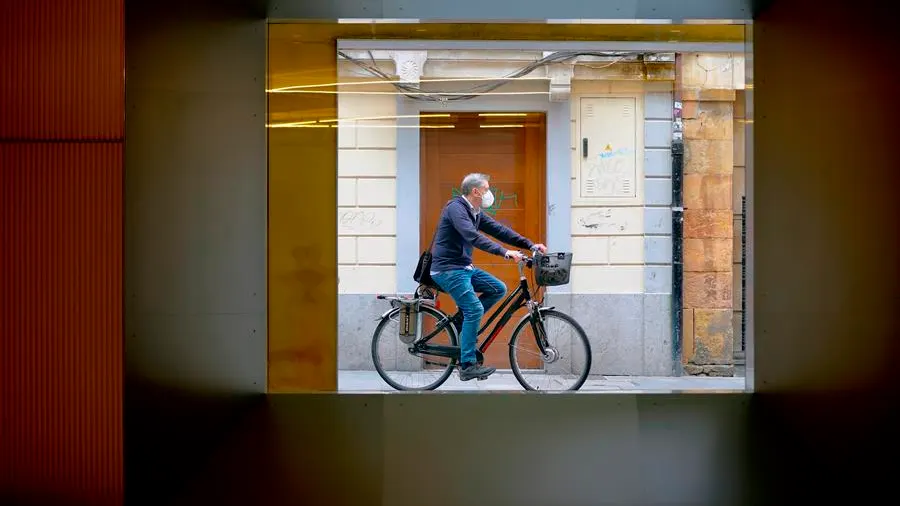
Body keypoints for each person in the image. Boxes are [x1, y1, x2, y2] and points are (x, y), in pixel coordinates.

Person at [429, 173, 547, 381]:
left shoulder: (475, 212)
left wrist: (529, 244)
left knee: (498, 288)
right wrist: (504, 253)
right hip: (448, 269)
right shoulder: (456, 208)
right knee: (474, 309)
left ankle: (461, 321)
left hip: (464, 268)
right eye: (486, 189)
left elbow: (500, 230)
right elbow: (471, 236)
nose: (488, 193)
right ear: (475, 191)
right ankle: (467, 365)